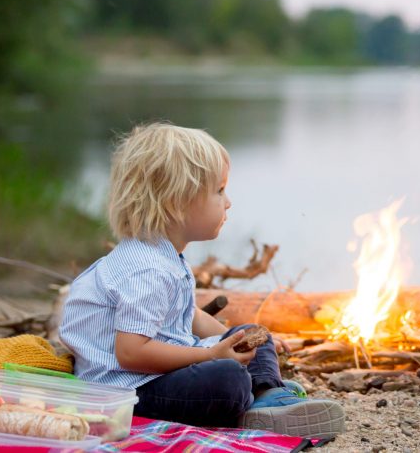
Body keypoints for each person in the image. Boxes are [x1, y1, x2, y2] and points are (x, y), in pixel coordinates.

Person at [60, 122, 345, 438]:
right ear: (177, 202)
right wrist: (210, 355)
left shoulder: (161, 256)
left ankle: (266, 395)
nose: (228, 202)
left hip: (159, 372)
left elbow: (189, 315)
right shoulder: (147, 271)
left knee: (253, 335)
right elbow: (131, 353)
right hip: (129, 392)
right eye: (219, 191)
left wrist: (233, 340)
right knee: (227, 379)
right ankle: (253, 398)